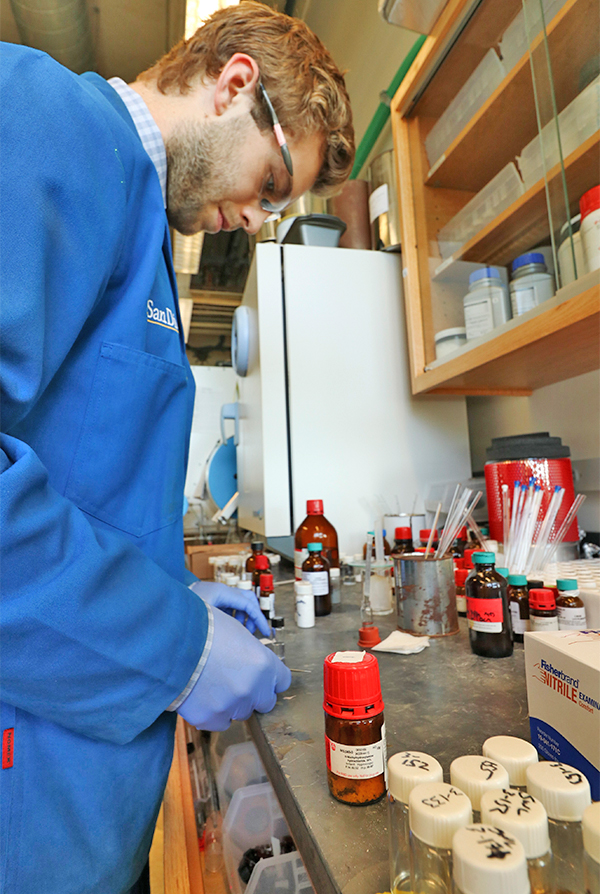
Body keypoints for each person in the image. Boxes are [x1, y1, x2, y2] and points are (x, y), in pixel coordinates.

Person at [0, 3, 354, 892]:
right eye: (272, 185)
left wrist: (173, 586)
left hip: (90, 796)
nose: (258, 218)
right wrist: (175, 644)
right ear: (237, 84)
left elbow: (81, 477)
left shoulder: (143, 230)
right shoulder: (50, 123)